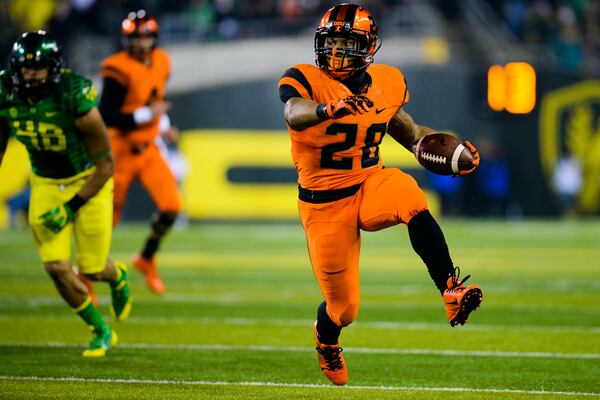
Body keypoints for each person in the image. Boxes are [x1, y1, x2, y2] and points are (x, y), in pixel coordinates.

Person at [277, 3, 483, 386]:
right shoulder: (304, 79)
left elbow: (412, 134)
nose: (337, 52)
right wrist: (328, 109)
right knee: (344, 308)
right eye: (332, 43)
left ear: (367, 47)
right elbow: (293, 112)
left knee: (409, 192)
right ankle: (326, 340)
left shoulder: (386, 83)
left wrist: (454, 154)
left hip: (370, 185)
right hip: (324, 206)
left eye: (346, 44)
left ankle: (450, 289)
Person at [0, 31, 131, 357]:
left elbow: (106, 165)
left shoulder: (73, 94)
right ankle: (99, 329)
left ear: (53, 67)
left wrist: (71, 207)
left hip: (88, 180)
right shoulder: (6, 90)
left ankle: (118, 277)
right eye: (26, 67)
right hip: (44, 182)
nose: (31, 74)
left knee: (92, 269)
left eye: (39, 67)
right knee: (56, 268)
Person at [97, 10, 182, 295]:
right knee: (108, 219)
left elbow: (156, 101)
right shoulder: (116, 68)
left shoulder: (162, 61)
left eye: (145, 37)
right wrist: (149, 115)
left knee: (171, 206)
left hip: (148, 148)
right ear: (126, 40)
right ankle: (86, 271)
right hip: (119, 149)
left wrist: (164, 125)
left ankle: (146, 257)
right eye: (136, 38)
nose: (142, 43)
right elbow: (106, 116)